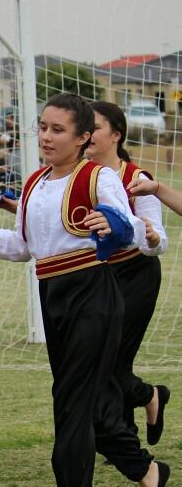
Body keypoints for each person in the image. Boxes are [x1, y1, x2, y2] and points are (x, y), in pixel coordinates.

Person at [0, 94, 169, 487]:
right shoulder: (33, 184)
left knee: (70, 404)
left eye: (58, 130)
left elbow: (129, 226)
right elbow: (23, 247)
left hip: (95, 293)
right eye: (43, 128)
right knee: (85, 406)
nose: (47, 137)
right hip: (54, 295)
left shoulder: (99, 176)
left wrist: (113, 224)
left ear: (83, 137)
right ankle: (145, 468)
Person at [86, 101, 170, 445]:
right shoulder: (80, 175)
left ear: (116, 135)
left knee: (113, 360)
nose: (88, 134)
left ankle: (140, 407)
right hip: (99, 276)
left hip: (137, 275)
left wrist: (149, 237)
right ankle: (135, 415)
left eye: (95, 127)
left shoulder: (137, 178)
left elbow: (159, 241)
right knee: (99, 357)